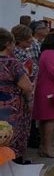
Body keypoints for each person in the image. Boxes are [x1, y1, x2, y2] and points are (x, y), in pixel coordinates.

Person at [0, 28, 33, 164]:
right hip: (11, 109)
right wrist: (29, 100)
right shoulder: (12, 63)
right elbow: (26, 87)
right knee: (11, 137)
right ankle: (13, 166)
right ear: (8, 44)